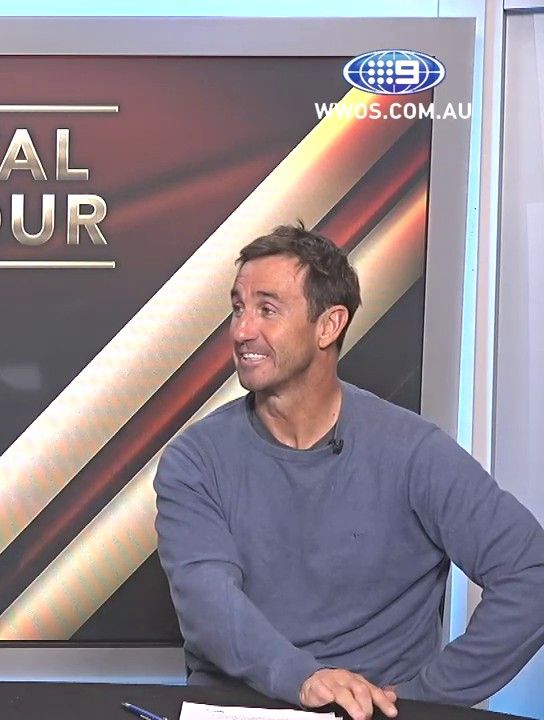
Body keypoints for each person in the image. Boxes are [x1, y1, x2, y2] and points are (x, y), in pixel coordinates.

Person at [154, 223, 544, 720]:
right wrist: (303, 678)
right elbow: (208, 603)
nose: (242, 330)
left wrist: (423, 700)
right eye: (238, 308)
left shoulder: (413, 451)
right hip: (239, 709)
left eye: (267, 309)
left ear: (329, 325)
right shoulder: (194, 460)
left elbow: (531, 572)